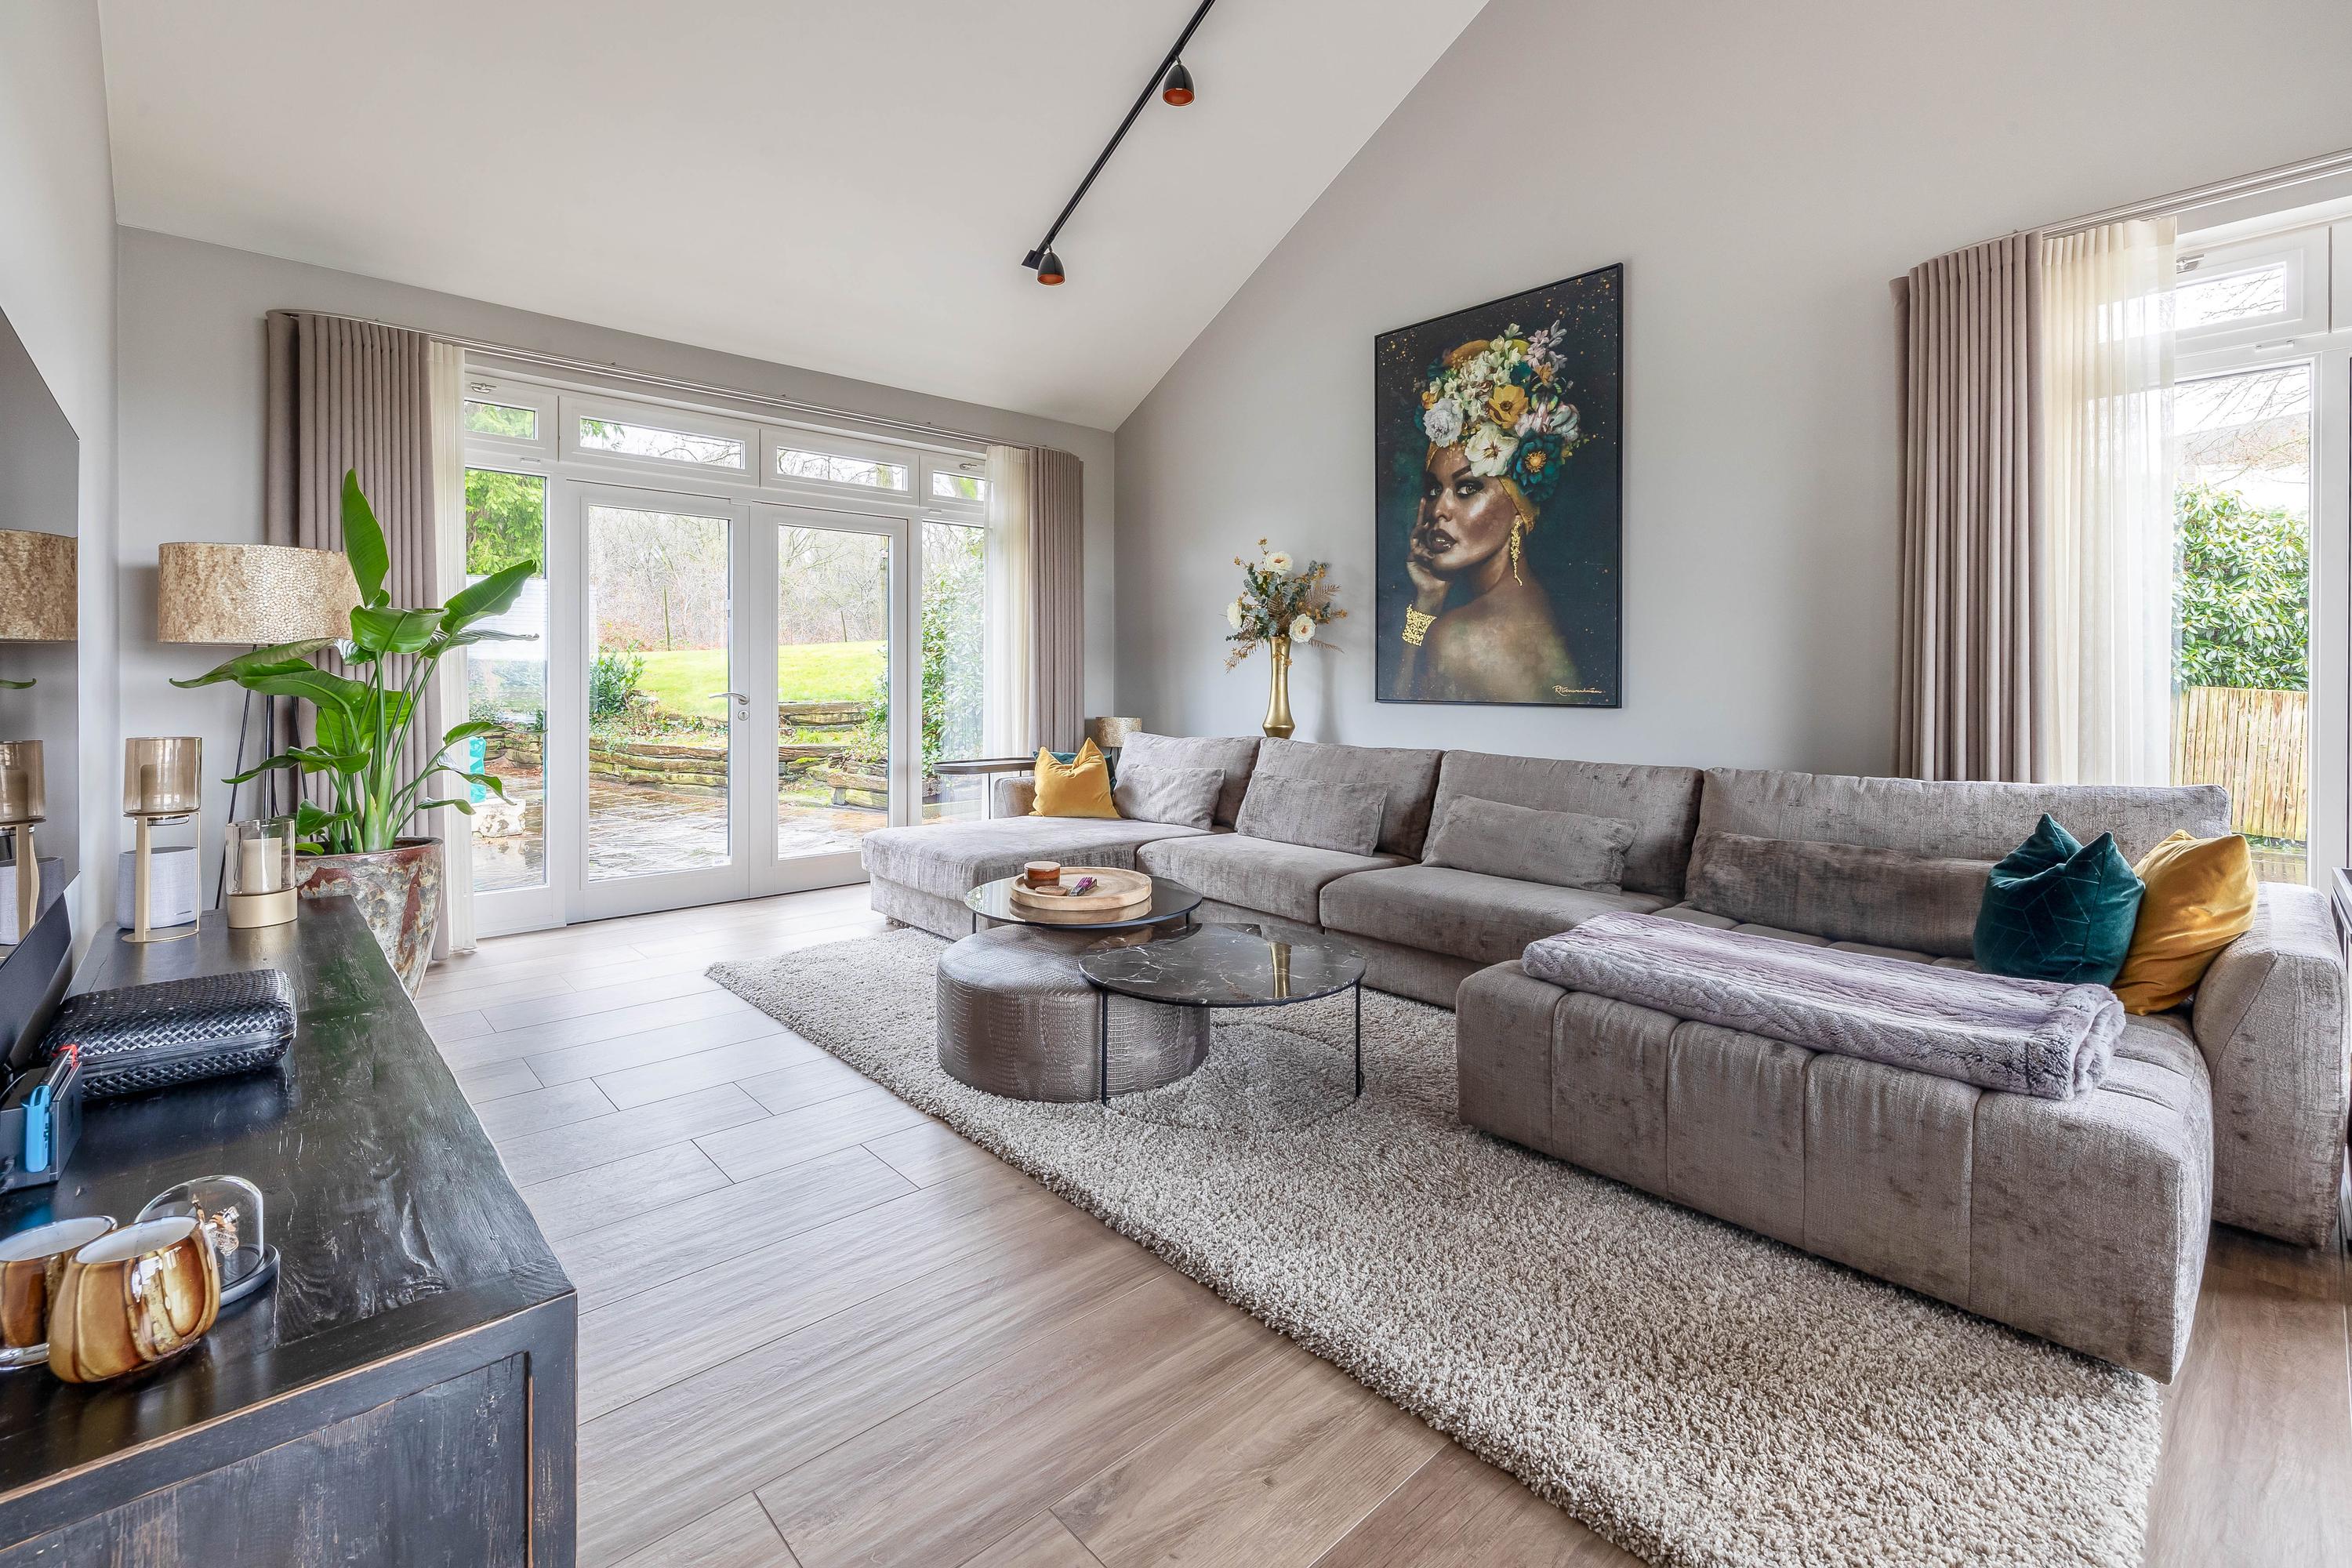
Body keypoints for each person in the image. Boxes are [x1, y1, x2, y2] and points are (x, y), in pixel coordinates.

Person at [1388, 322, 1588, 703]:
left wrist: (1422, 618)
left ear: (1519, 508)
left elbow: (1403, 715)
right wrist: (1427, 600)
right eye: (1434, 489)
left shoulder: (1459, 638)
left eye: (1467, 489)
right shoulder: (1534, 604)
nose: (1438, 510)